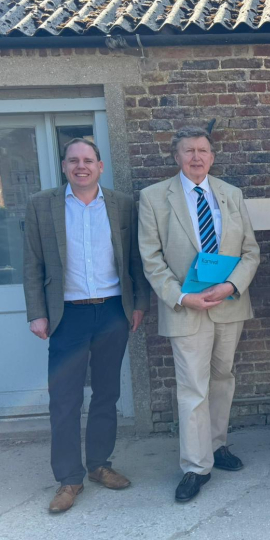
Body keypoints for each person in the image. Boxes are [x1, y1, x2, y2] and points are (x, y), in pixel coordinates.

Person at [23, 138, 151, 513]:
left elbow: (135, 260)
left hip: (113, 310)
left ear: (100, 166)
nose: (81, 166)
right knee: (64, 399)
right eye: (73, 160)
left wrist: (139, 304)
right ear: (64, 166)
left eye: (88, 160)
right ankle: (68, 478)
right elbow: (32, 264)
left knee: (107, 394)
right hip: (67, 314)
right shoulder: (41, 205)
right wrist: (37, 312)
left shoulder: (122, 205)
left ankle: (99, 465)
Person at [138, 126, 260, 502]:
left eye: (202, 151)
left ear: (212, 156)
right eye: (188, 151)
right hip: (185, 308)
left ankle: (216, 445)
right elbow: (151, 258)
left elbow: (250, 252)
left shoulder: (231, 194)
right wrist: (179, 297)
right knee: (192, 388)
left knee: (222, 378)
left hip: (228, 304)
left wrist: (231, 286)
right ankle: (195, 466)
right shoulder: (154, 197)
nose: (196, 157)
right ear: (176, 157)